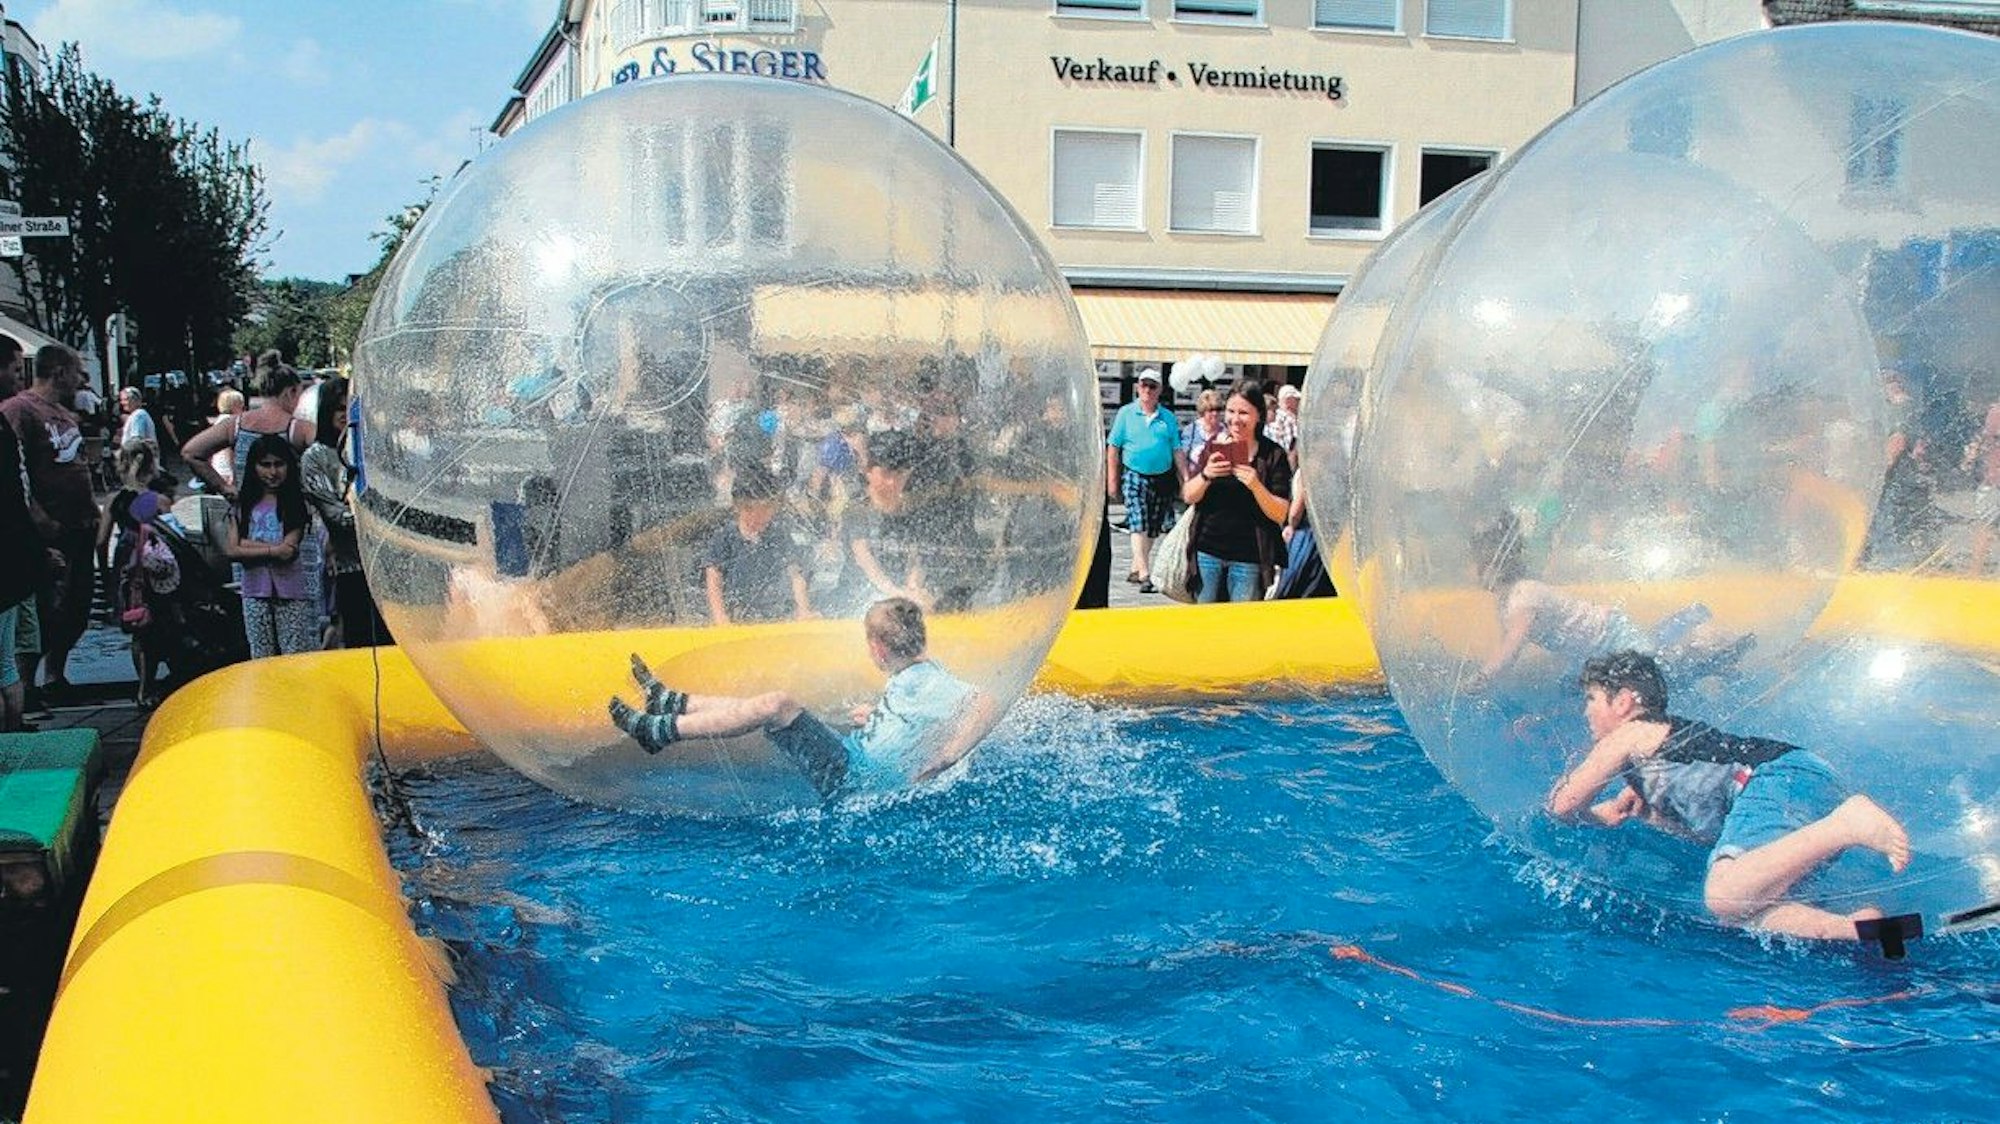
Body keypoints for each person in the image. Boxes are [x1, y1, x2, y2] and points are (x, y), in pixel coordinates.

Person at [1548, 651, 1910, 940]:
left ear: (1624, 702)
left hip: (1777, 776)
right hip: (1798, 779)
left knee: (1723, 894)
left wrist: (1584, 811)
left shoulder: (1630, 733)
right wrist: (1647, 813)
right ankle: (1860, 929)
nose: (1585, 711)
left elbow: (1563, 805)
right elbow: (1708, 817)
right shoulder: (1655, 759)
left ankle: (1846, 825)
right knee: (1745, 911)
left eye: (1591, 699)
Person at [607, 597, 998, 798]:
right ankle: (672, 704)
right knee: (771, 709)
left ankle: (659, 732)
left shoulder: (928, 683)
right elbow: (919, 713)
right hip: (851, 758)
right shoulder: (914, 674)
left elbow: (986, 703)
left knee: (778, 705)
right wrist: (880, 716)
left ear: (878, 649)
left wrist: (948, 756)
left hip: (851, 780)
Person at [1467, 513, 1749, 691]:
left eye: (1473, 563)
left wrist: (1482, 678)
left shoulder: (1523, 596)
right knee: (1570, 693)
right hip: (1590, 656)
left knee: (1655, 673)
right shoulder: (1506, 602)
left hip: (1611, 635)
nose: (1467, 570)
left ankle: (1706, 644)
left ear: (1490, 567)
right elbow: (1509, 650)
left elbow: (1512, 646)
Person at [1, 345, 99, 704]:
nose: (81, 380)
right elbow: (16, 471)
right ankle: (26, 684)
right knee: (45, 608)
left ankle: (56, 675)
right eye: (77, 372)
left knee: (76, 606)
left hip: (79, 524)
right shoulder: (20, 409)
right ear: (59, 372)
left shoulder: (63, 413)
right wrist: (38, 519)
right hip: (49, 529)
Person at [1177, 380, 1293, 603]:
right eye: (1230, 411)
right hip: (1207, 551)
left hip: (1249, 556)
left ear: (1259, 415)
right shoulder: (1214, 446)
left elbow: (1280, 514)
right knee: (1205, 620)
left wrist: (1256, 485)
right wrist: (1206, 475)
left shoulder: (1273, 455)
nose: (1235, 419)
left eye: (1243, 413)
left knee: (1242, 621)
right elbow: (1188, 495)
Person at [300, 376, 387, 648]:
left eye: (350, 408)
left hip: (384, 567)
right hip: (350, 568)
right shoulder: (316, 457)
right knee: (359, 644)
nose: (345, 415)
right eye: (339, 409)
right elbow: (337, 515)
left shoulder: (374, 450)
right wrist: (374, 515)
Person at [226, 434, 320, 658]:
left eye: (279, 464)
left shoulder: (295, 503)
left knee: (294, 654)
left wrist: (248, 546)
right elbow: (232, 550)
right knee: (261, 655)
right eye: (265, 465)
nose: (272, 472)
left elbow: (288, 551)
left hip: (290, 592)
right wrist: (272, 550)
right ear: (253, 466)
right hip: (254, 590)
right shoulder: (242, 504)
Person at [701, 463, 814, 624]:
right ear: (737, 506)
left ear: (775, 507)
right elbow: (713, 579)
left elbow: (795, 575)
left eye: (766, 509)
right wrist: (720, 616)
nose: (757, 517)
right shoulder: (725, 537)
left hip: (776, 612)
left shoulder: (778, 534)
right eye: (749, 509)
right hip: (738, 615)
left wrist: (803, 609)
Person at [0, 334, 43, 731]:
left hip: (9, 560)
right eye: (15, 370)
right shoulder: (3, 425)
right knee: (4, 665)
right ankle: (11, 741)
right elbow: (11, 498)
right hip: (8, 562)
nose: (20, 378)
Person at [1106, 368, 1180, 594]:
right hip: (1134, 473)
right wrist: (1112, 480)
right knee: (1138, 521)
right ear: (1137, 387)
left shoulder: (1168, 418)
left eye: (1152, 386)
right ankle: (1145, 574)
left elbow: (1177, 450)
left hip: (1162, 477)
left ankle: (1136, 566)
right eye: (1143, 385)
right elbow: (1113, 447)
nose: (1147, 390)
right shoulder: (1126, 413)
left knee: (1153, 527)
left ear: (1159, 390)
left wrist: (1185, 477)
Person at [1962, 397, 2000, 577]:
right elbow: (1989, 440)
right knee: (1985, 526)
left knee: (1985, 525)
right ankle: (1974, 572)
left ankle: (1974, 573)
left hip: (1992, 479)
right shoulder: (1996, 412)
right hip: (1994, 480)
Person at [1176, 389, 1225, 481]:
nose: (1215, 413)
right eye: (1211, 410)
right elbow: (1182, 458)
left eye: (1218, 409)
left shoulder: (1226, 431)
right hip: (1195, 481)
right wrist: (1186, 480)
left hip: (1220, 483)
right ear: (1203, 411)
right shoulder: (1191, 430)